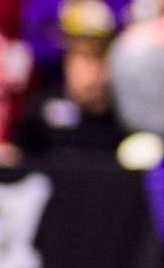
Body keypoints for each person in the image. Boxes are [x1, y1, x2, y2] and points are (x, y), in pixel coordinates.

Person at [12, 12, 127, 159]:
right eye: (84, 60)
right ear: (68, 64)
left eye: (99, 59)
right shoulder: (42, 108)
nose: (93, 71)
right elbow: (18, 160)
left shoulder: (125, 114)